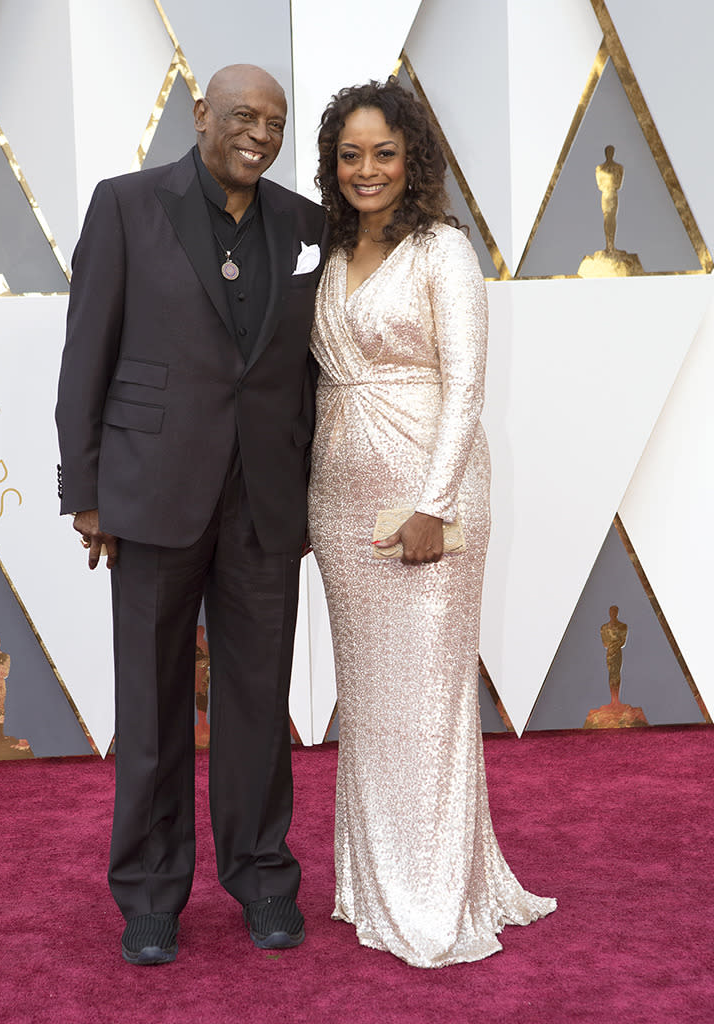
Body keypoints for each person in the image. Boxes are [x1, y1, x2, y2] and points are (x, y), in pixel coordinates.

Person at [55, 64, 325, 965]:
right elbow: (85, 350)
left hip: (264, 502)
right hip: (151, 493)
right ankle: (149, 896)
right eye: (242, 116)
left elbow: (309, 374)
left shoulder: (304, 225)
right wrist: (85, 493)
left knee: (257, 704)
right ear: (200, 114)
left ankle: (262, 881)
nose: (259, 134)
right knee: (154, 708)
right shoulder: (127, 204)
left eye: (275, 122)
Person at [308, 79, 556, 967]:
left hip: (427, 505)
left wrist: (433, 504)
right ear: (332, 164)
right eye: (349, 154)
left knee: (428, 703)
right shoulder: (333, 251)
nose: (365, 169)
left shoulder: (442, 250)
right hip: (339, 509)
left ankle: (433, 896)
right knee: (371, 705)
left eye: (383, 152)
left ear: (411, 158)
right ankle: (374, 882)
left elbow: (465, 385)